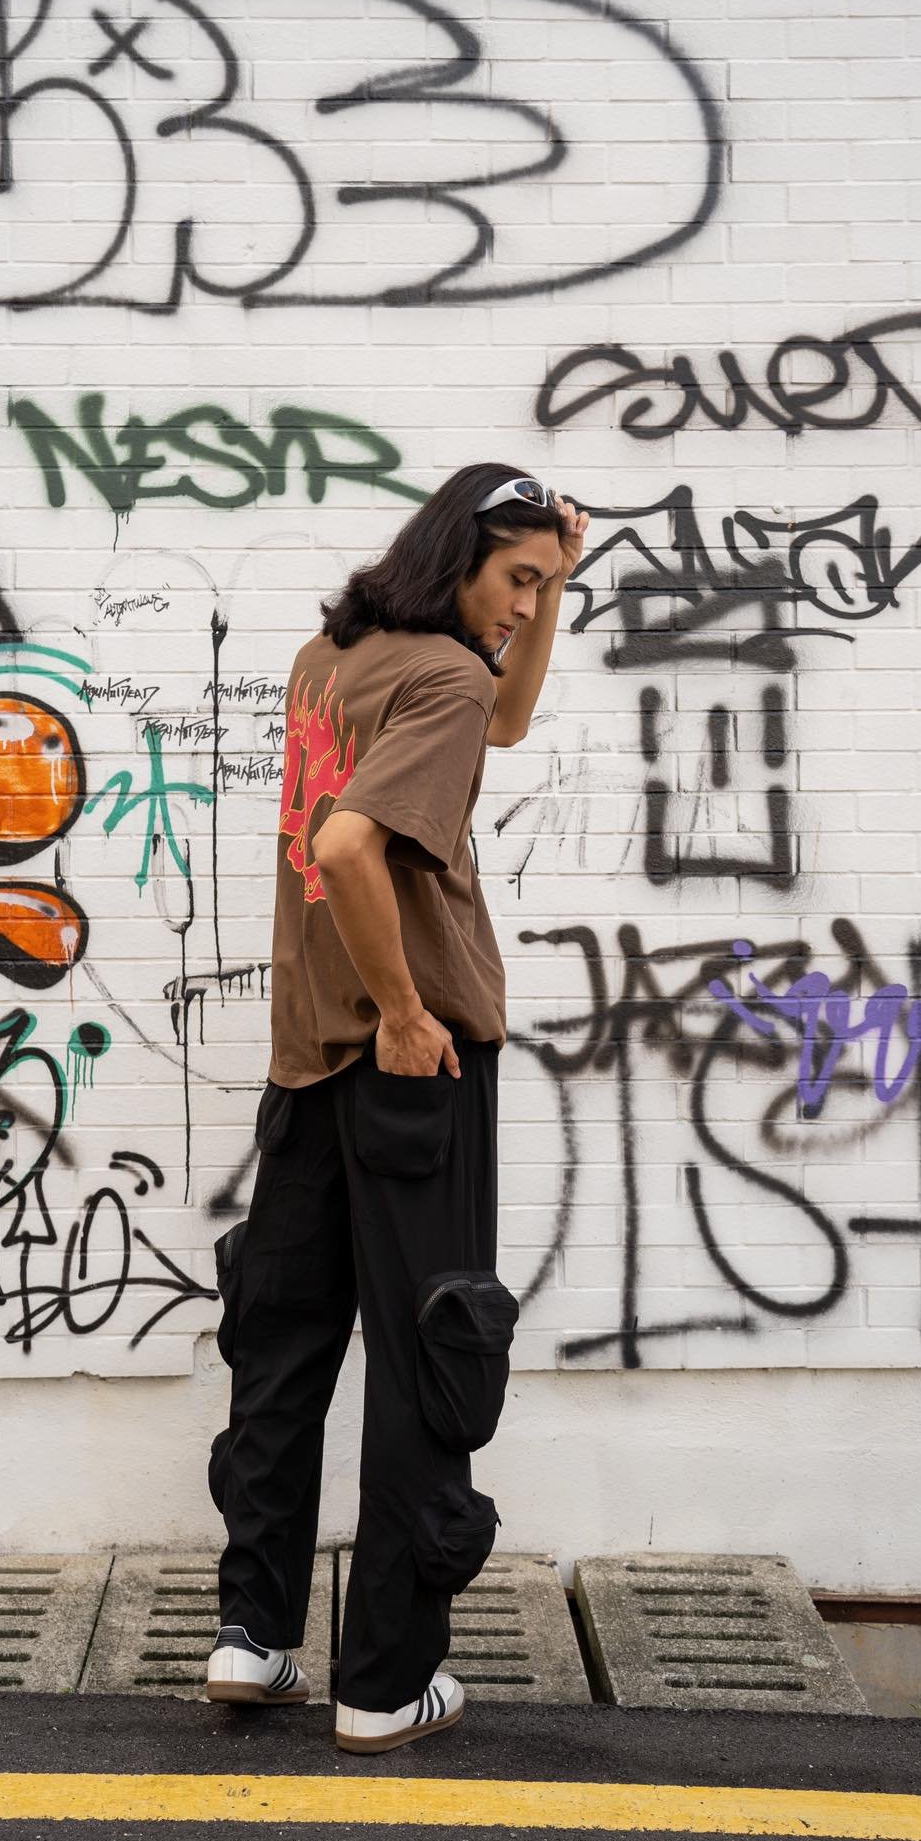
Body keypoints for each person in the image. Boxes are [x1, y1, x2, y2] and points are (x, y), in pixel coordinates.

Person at [204, 464, 589, 1753]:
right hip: (411, 1070)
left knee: (281, 1348)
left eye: (542, 585)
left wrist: (552, 593)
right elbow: (348, 847)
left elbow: (504, 723)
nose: (525, 606)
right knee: (432, 1356)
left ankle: (253, 1639)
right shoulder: (445, 678)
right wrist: (409, 1012)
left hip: (305, 1060)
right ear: (455, 557)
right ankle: (384, 1680)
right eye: (516, 579)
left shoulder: (333, 658)